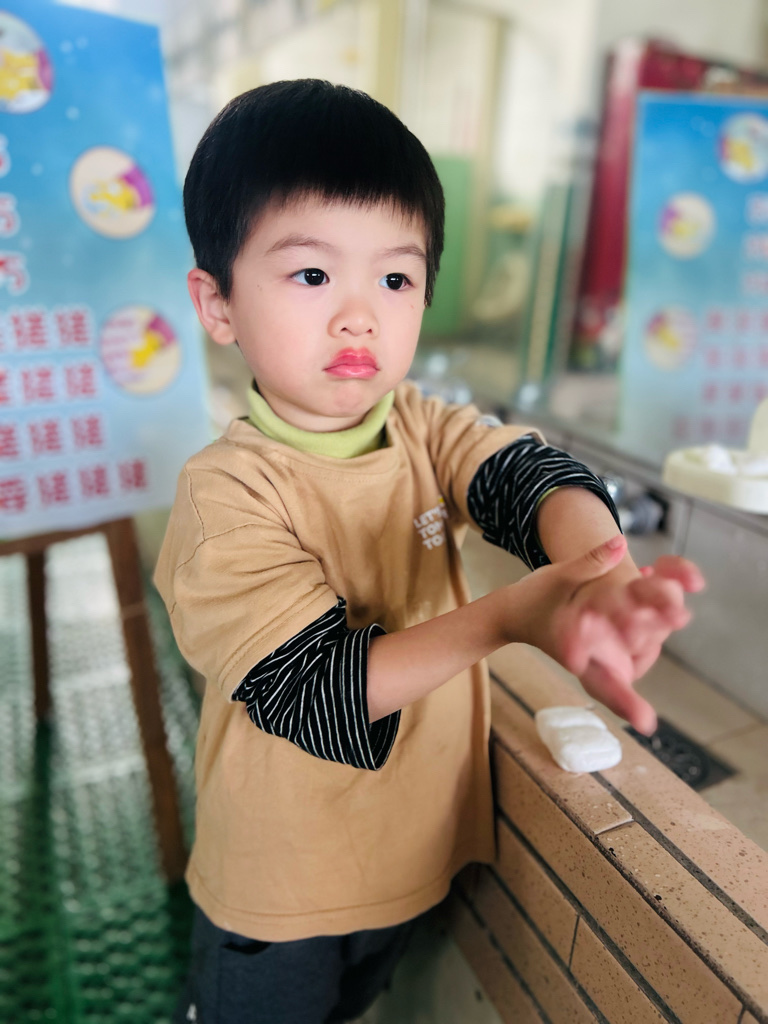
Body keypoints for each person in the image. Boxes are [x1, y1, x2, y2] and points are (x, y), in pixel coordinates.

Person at [154, 79, 704, 1024]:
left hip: (408, 855)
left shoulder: (418, 422)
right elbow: (319, 691)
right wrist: (511, 618)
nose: (359, 316)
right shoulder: (226, 495)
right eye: (312, 276)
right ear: (218, 302)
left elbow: (528, 478)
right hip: (280, 889)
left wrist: (599, 580)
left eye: (395, 279)